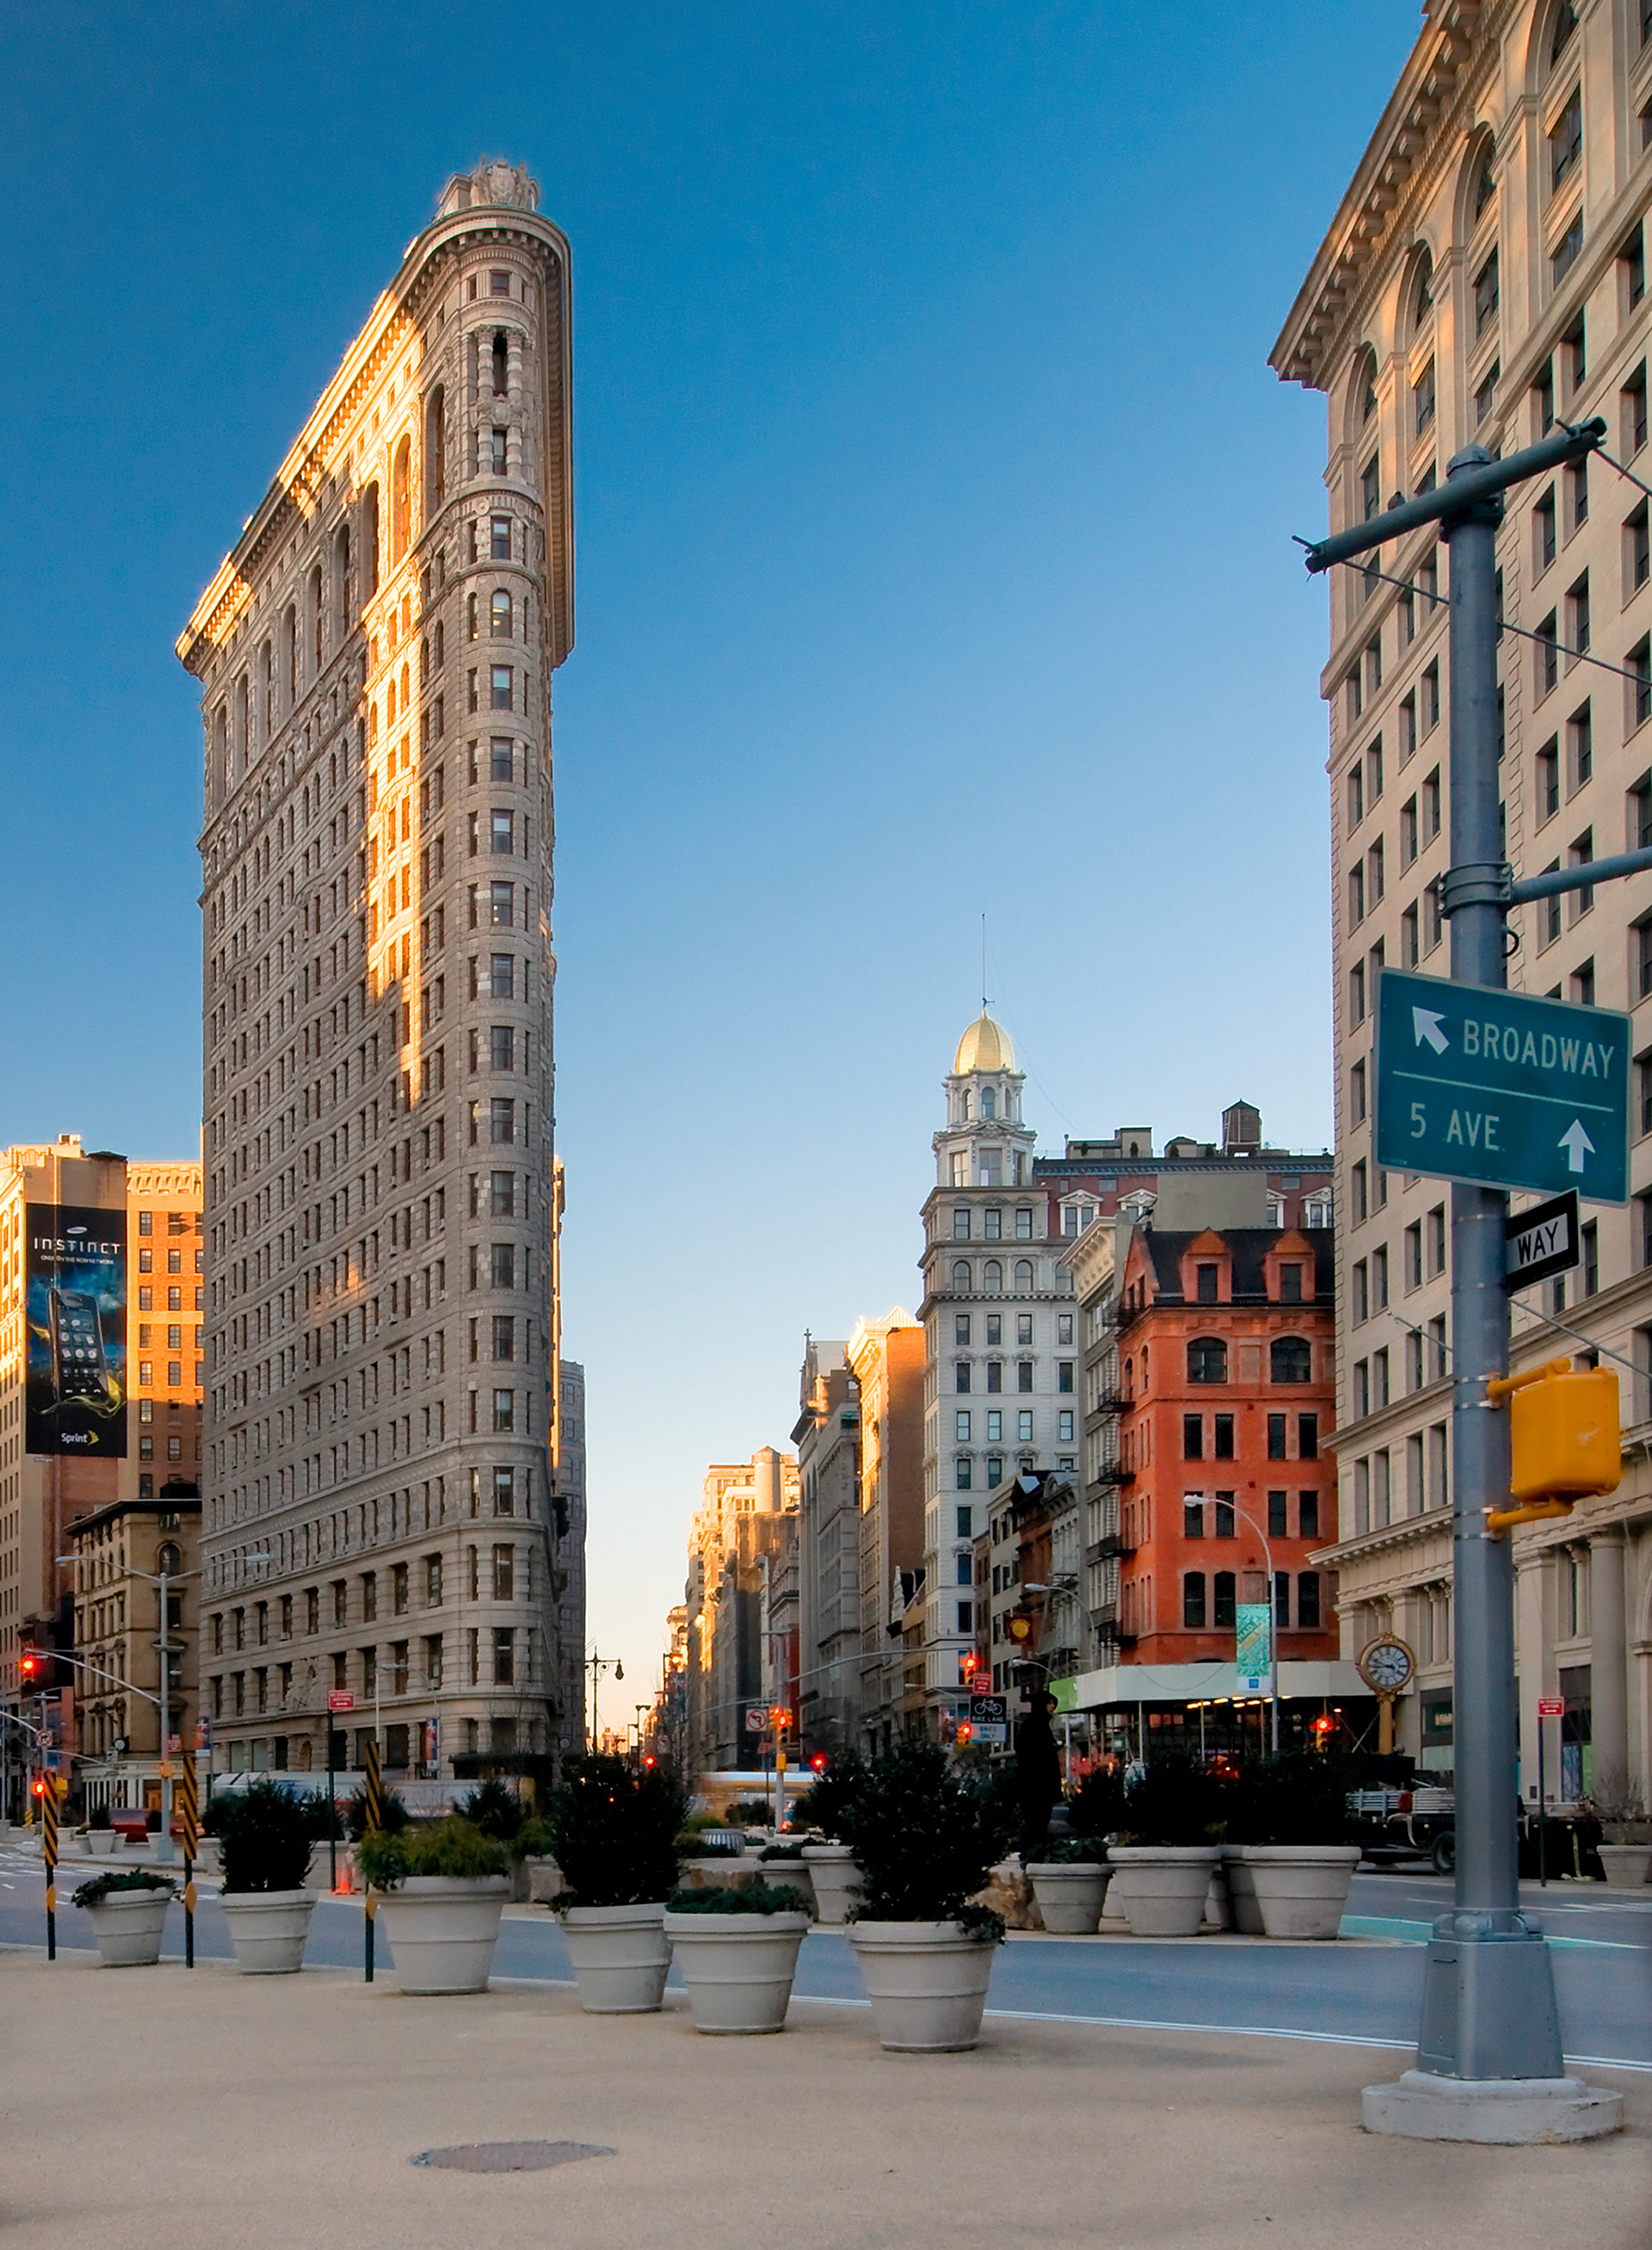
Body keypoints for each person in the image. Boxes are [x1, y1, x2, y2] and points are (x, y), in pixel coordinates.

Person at [1014, 1689, 1063, 1863]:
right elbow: (1030, 1755)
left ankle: (1033, 1852)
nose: (1052, 1707)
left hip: (1039, 1786)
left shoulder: (1040, 1725)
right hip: (1036, 1786)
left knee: (1040, 1821)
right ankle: (1030, 1853)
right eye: (1050, 1703)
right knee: (1035, 1821)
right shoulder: (1033, 1726)